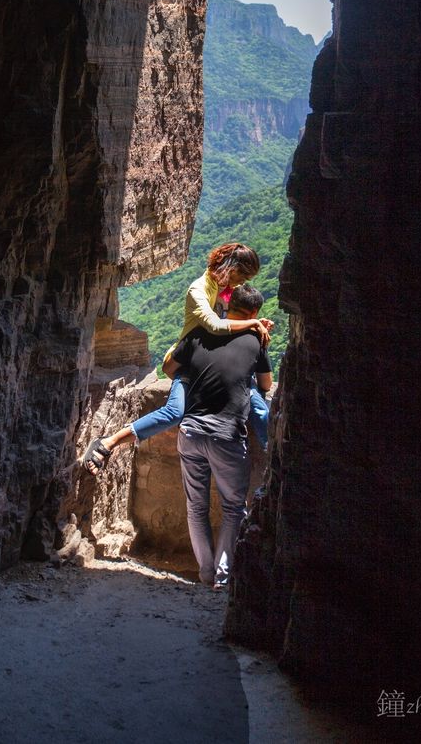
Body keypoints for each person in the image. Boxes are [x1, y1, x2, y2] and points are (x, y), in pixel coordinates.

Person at [82, 243, 272, 473]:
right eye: (240, 275)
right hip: (190, 363)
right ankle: (108, 442)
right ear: (229, 267)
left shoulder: (227, 290)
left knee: (257, 406)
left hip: (218, 364)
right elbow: (213, 325)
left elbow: (236, 318)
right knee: (175, 412)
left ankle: (274, 458)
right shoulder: (198, 290)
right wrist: (251, 323)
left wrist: (256, 324)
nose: (241, 283)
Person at [168, 282, 272, 587]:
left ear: (227, 306)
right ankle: (222, 579)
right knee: (233, 507)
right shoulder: (256, 341)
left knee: (195, 506)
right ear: (253, 313)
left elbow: (172, 367)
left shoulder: (199, 332)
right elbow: (266, 385)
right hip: (227, 436)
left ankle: (205, 573)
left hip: (189, 431)